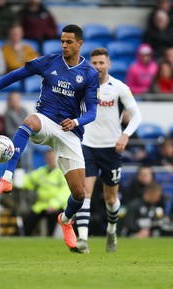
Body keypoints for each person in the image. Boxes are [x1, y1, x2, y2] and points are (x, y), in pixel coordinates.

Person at [0, 24, 99, 250]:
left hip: (69, 130)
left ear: (79, 44)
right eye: (62, 41)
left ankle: (64, 220)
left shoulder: (89, 74)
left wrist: (76, 121)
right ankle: (6, 178)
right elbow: (16, 75)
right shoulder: (49, 61)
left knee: (80, 193)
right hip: (45, 119)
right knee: (29, 121)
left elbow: (92, 112)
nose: (64, 45)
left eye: (69, 42)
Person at [72, 48, 142, 254]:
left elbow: (136, 115)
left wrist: (125, 134)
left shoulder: (119, 88)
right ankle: (83, 239)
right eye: (94, 63)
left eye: (101, 63)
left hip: (112, 148)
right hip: (88, 145)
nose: (98, 67)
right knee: (85, 192)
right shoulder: (83, 86)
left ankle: (112, 230)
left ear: (108, 64)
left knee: (111, 199)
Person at [14, 149, 70, 236]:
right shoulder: (41, 172)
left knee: (53, 217)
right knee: (29, 220)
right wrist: (10, 181)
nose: (50, 159)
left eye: (52, 157)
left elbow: (66, 190)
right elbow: (28, 180)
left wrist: (54, 204)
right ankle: (21, 237)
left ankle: (49, 238)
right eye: (48, 157)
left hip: (57, 206)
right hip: (41, 205)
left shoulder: (62, 172)